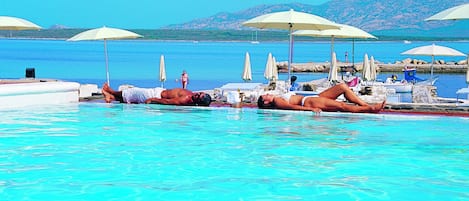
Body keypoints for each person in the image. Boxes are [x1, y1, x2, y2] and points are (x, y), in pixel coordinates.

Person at [258, 83, 385, 113]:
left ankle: (364, 105)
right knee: (342, 106)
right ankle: (370, 108)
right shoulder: (277, 101)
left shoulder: (278, 98)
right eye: (266, 95)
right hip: (310, 102)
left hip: (314, 98)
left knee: (342, 87)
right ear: (266, 101)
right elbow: (292, 107)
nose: (269, 94)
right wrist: (310, 110)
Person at [101, 83, 211, 106]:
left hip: (156, 94)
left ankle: (111, 91)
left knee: (133, 92)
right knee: (132, 96)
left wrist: (154, 99)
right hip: (159, 91)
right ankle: (111, 97)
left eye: (198, 96)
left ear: (198, 101)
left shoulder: (186, 99)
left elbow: (168, 102)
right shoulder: (191, 95)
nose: (197, 94)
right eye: (200, 93)